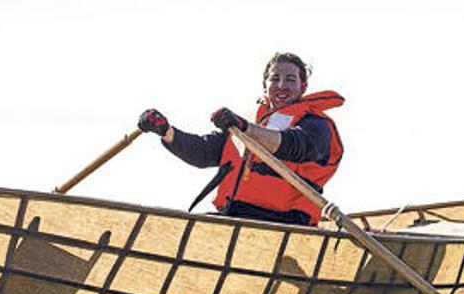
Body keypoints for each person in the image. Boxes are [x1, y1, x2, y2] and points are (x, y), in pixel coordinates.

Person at [138, 52, 344, 226]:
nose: (281, 85)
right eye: (275, 79)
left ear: (303, 86)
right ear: (265, 85)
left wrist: (244, 127)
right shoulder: (249, 121)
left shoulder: (317, 124)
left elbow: (293, 145)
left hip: (285, 222)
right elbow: (203, 152)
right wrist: (165, 130)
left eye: (290, 80)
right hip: (236, 214)